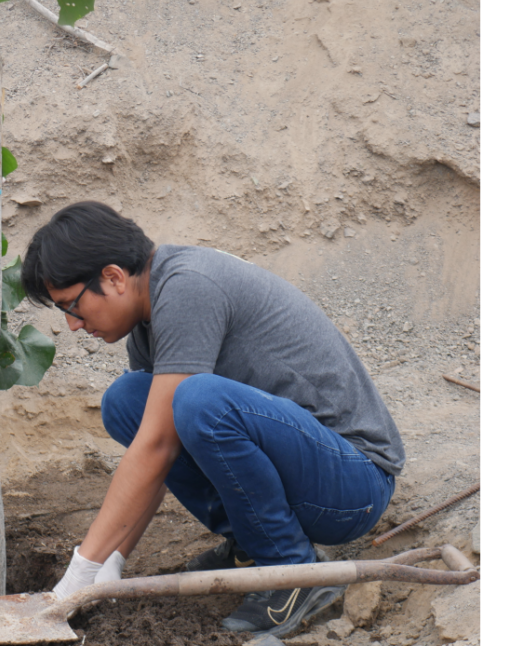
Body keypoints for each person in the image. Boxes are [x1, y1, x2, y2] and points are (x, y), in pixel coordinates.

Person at [22, 202, 404, 638]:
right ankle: (252, 545)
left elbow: (157, 446)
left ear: (112, 277)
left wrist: (79, 573)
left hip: (353, 484)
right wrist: (111, 564)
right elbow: (156, 451)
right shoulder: (150, 317)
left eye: (72, 306)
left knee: (198, 401)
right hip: (312, 469)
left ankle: (291, 568)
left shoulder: (187, 287)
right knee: (129, 399)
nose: (72, 325)